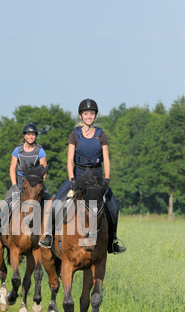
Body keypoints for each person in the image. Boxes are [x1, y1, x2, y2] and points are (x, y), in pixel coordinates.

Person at [39, 98, 126, 254]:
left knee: (114, 207)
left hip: (97, 178)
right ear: (81, 116)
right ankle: (49, 236)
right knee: (56, 204)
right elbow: (69, 160)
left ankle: (112, 241)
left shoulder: (101, 135)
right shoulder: (75, 134)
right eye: (86, 114)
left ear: (95, 116)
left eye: (92, 114)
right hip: (78, 176)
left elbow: (106, 159)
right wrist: (72, 179)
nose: (89, 116)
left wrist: (106, 179)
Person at [0, 122, 50, 239]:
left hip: (36, 182)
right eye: (28, 134)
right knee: (7, 202)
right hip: (20, 181)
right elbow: (12, 168)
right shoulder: (17, 150)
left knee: (49, 202)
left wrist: (39, 183)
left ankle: (48, 233)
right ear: (24, 136)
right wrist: (14, 185)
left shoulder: (40, 151)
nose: (30, 137)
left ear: (36, 136)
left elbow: (44, 170)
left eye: (33, 134)